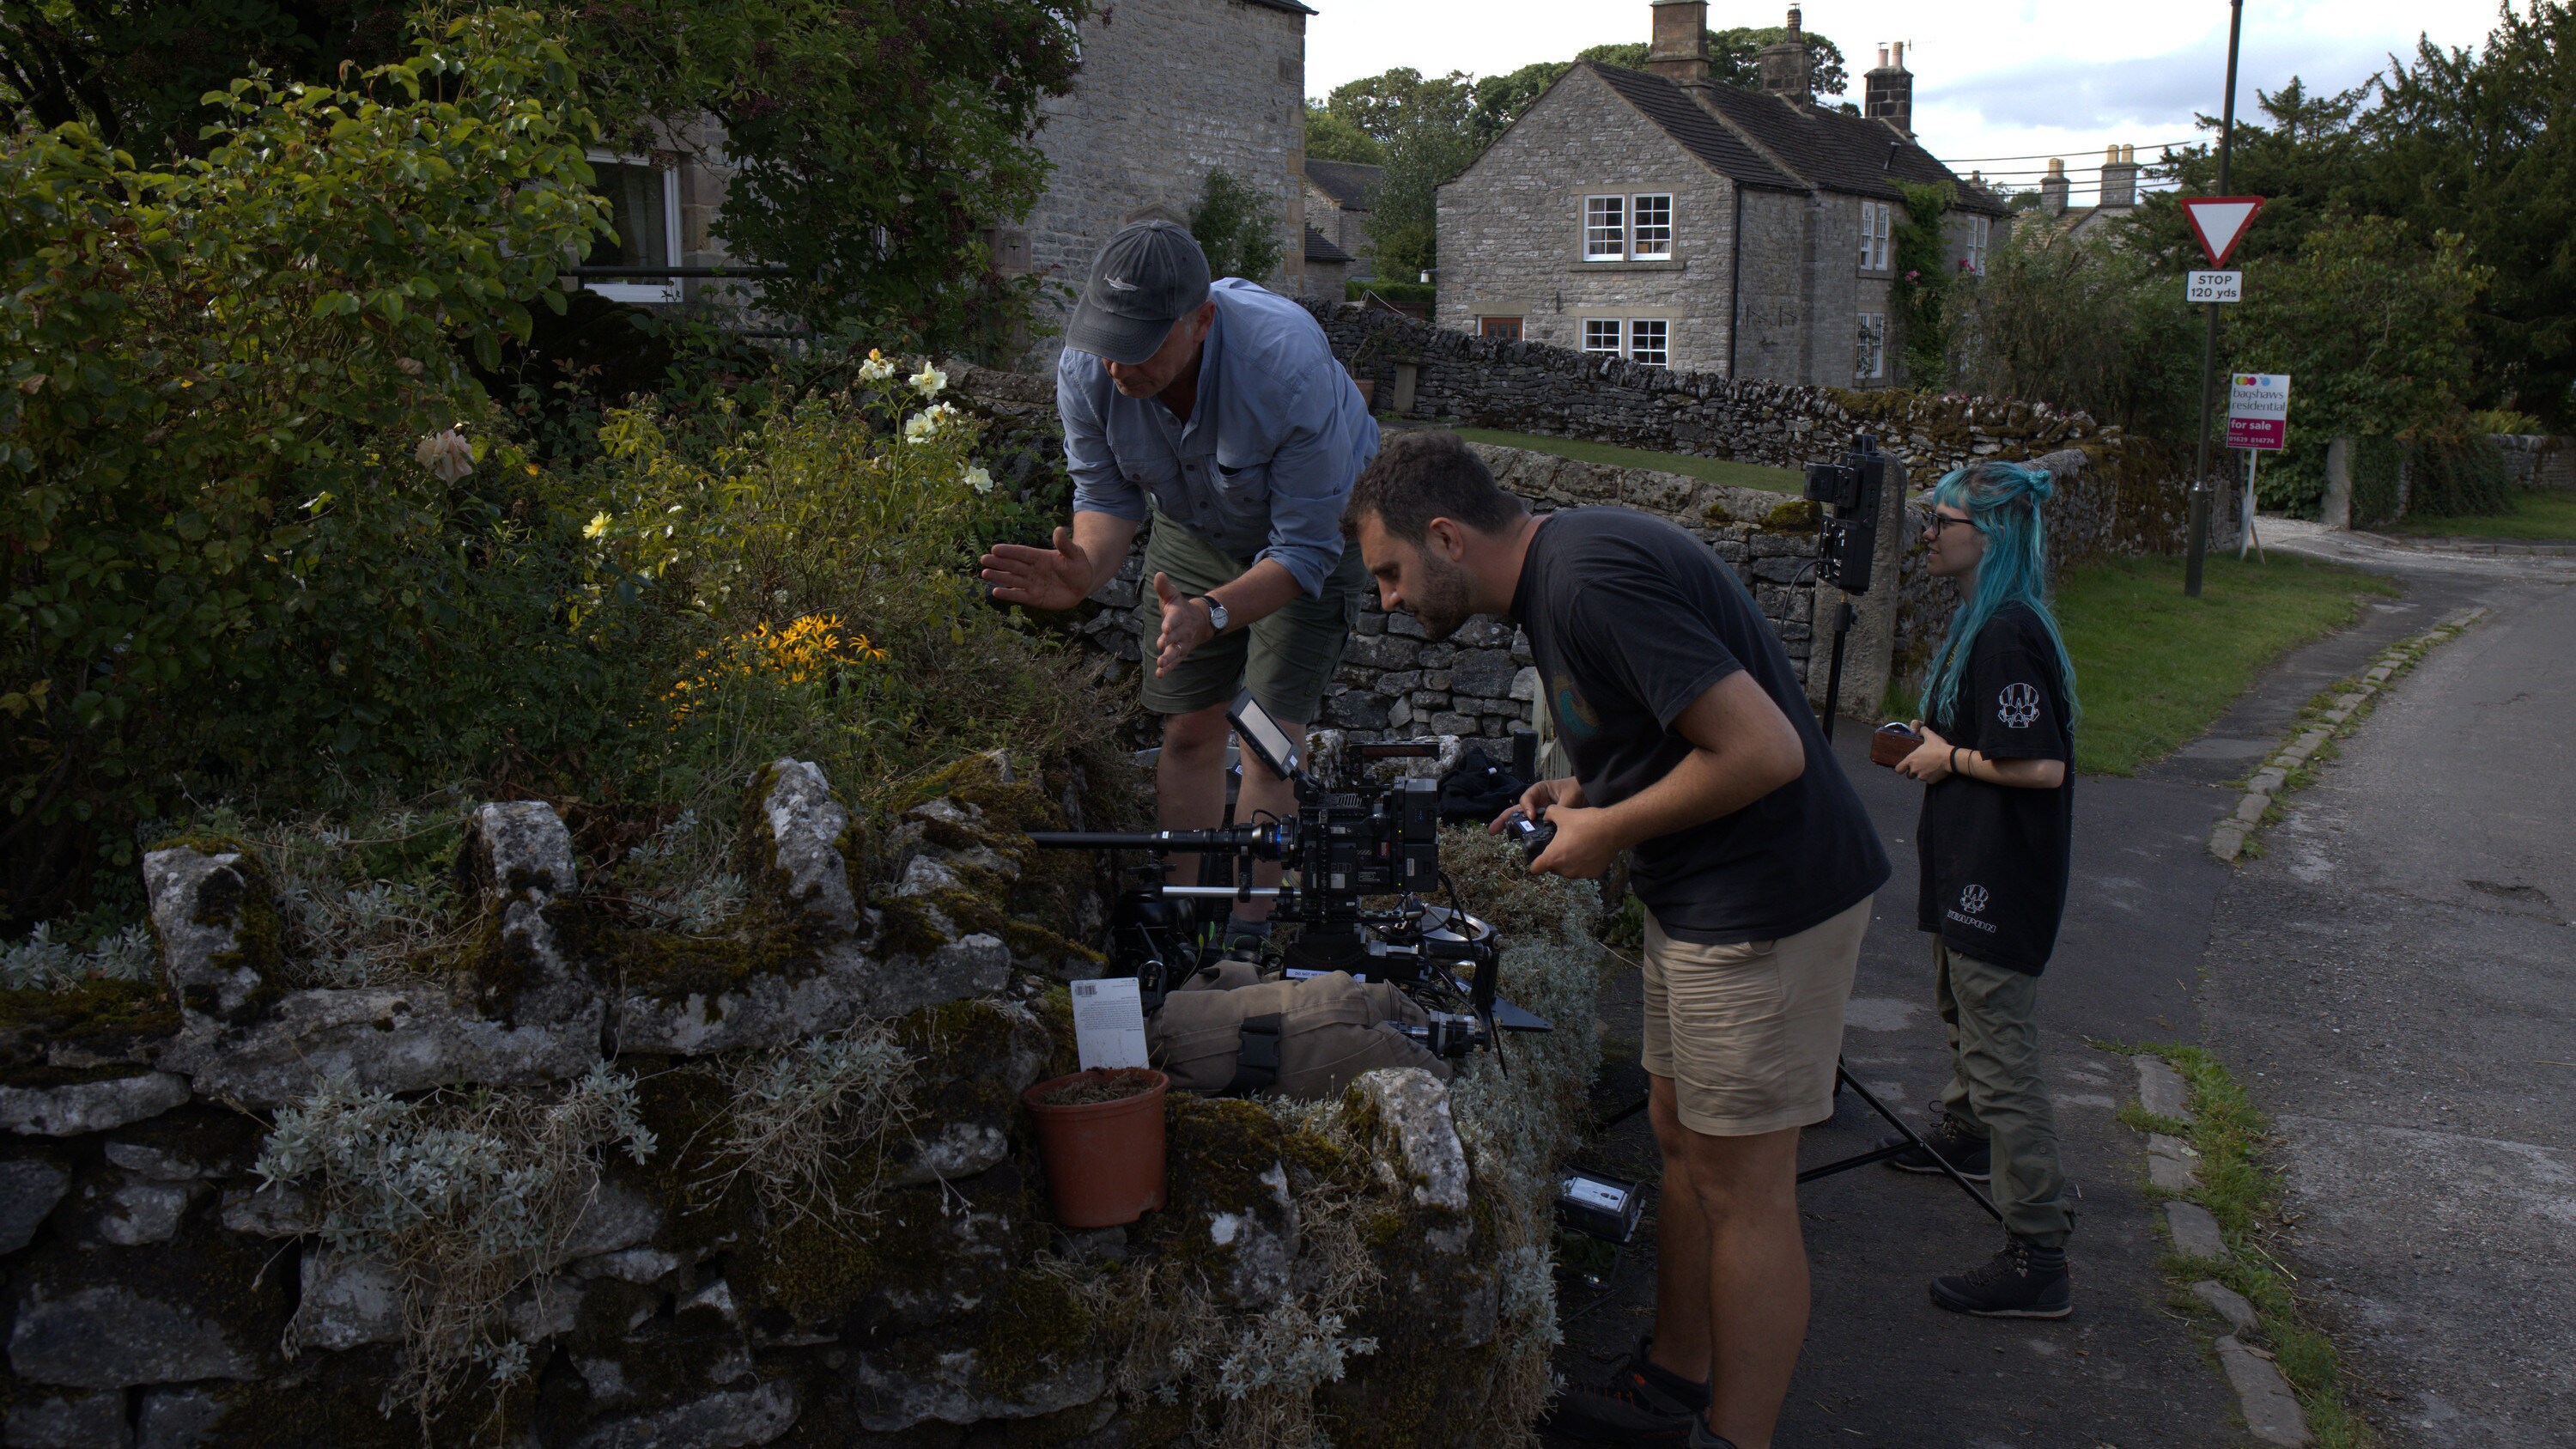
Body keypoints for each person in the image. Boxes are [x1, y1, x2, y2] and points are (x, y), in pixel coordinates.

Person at [1342, 429, 1890, 1449]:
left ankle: (1736, 1437)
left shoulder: (1586, 580)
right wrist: (1585, 789)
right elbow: (1666, 727)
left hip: (1765, 907)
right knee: (1682, 1142)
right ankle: (1675, 1382)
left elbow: (1764, 748)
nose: (1387, 599)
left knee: (1748, 1190)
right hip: (1703, 902)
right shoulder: (1558, 579)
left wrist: (1608, 829)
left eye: (1389, 571)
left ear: (1447, 535)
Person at [978, 222, 1376, 938]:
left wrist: (1213, 614)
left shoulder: (1285, 364)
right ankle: (1185, 919)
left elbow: (1304, 551)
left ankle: (1248, 940)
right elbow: (1105, 499)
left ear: (1201, 321)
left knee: (1266, 740)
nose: (1115, 365)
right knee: (1189, 728)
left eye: (1136, 344)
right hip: (1195, 528)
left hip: (1312, 535)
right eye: (1105, 339)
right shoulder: (1086, 372)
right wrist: (1085, 573)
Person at [1884, 459, 2081, 1318]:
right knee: (1965, 1012)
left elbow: (2040, 763)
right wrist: (1937, 739)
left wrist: (1948, 756)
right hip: (1970, 864)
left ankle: (2037, 1252)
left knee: (2004, 1058)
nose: (1926, 533)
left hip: (2000, 878)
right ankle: (1965, 1134)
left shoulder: (2005, 630)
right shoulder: (1982, 620)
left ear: (1987, 535)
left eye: (1940, 520)